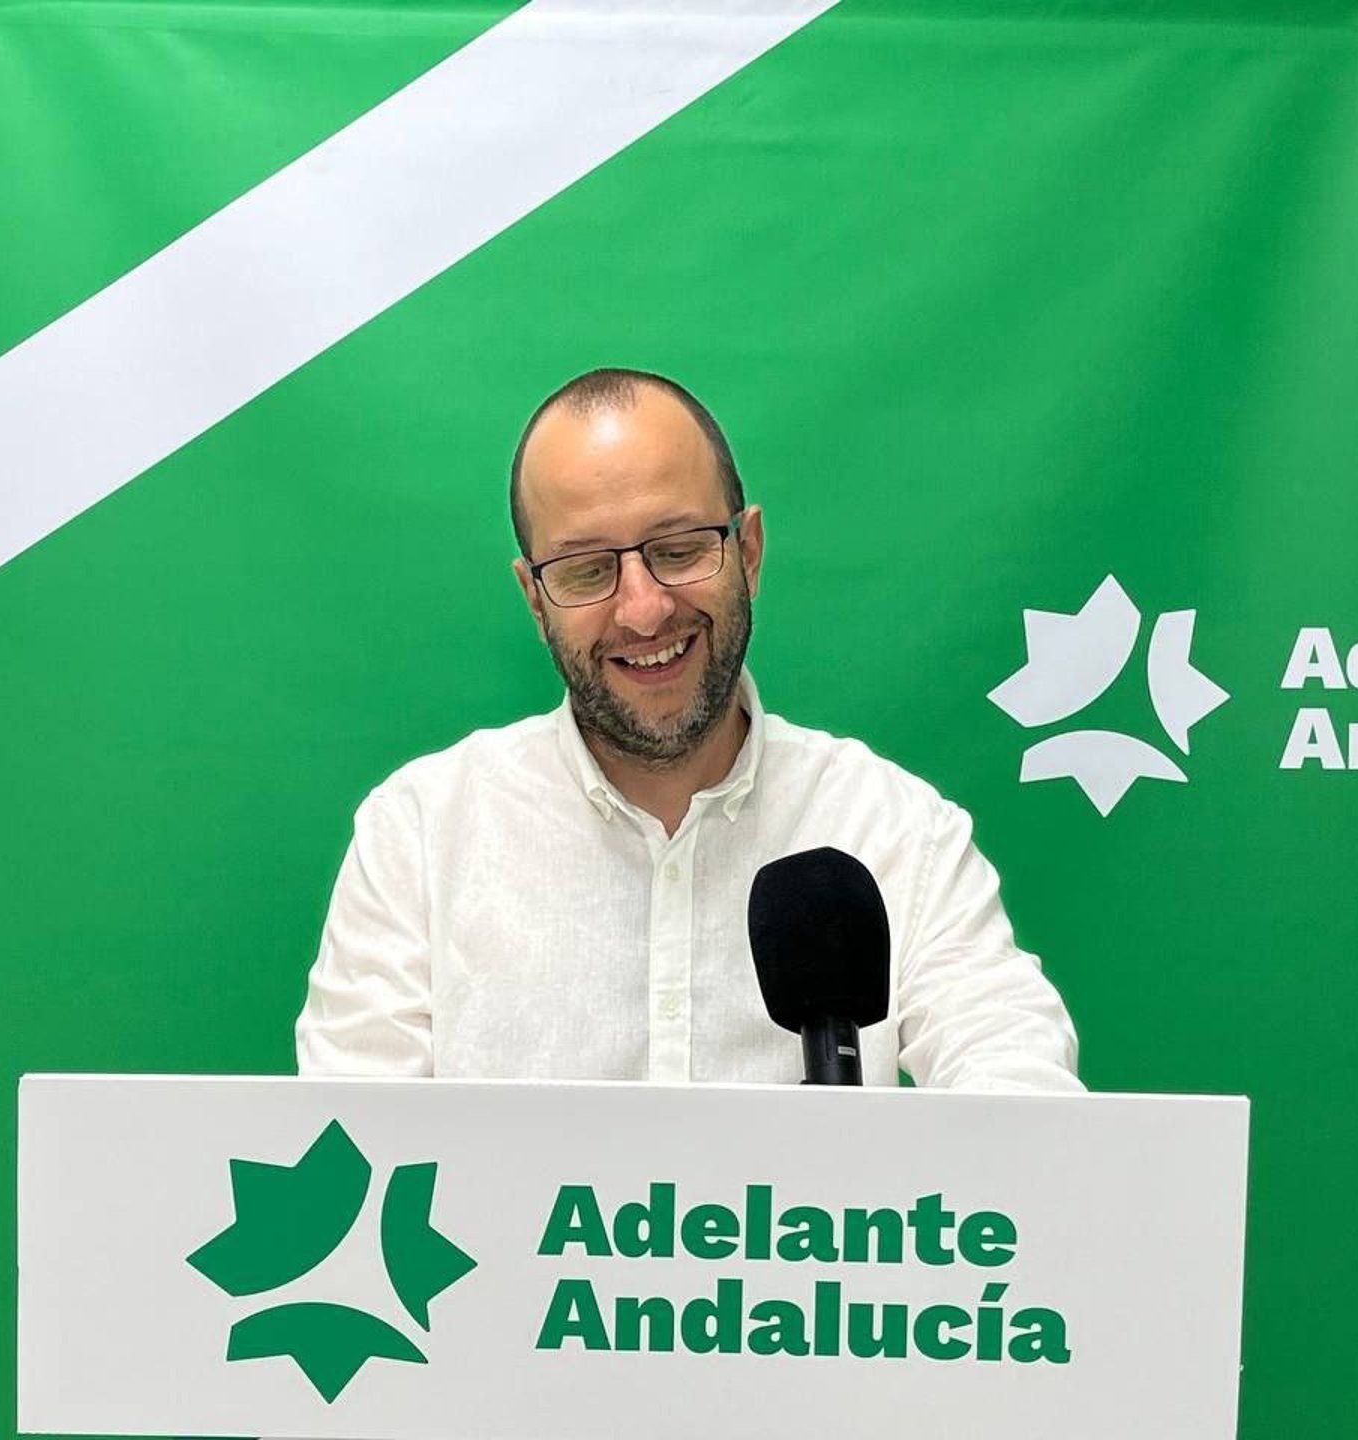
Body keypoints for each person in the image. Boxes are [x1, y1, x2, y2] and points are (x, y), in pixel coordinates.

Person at [295, 368, 1080, 1091]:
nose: (643, 610)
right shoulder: (420, 836)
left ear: (750, 552)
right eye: (586, 570)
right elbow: (353, 1139)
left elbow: (1019, 1098)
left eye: (678, 551)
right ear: (535, 601)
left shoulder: (896, 830)